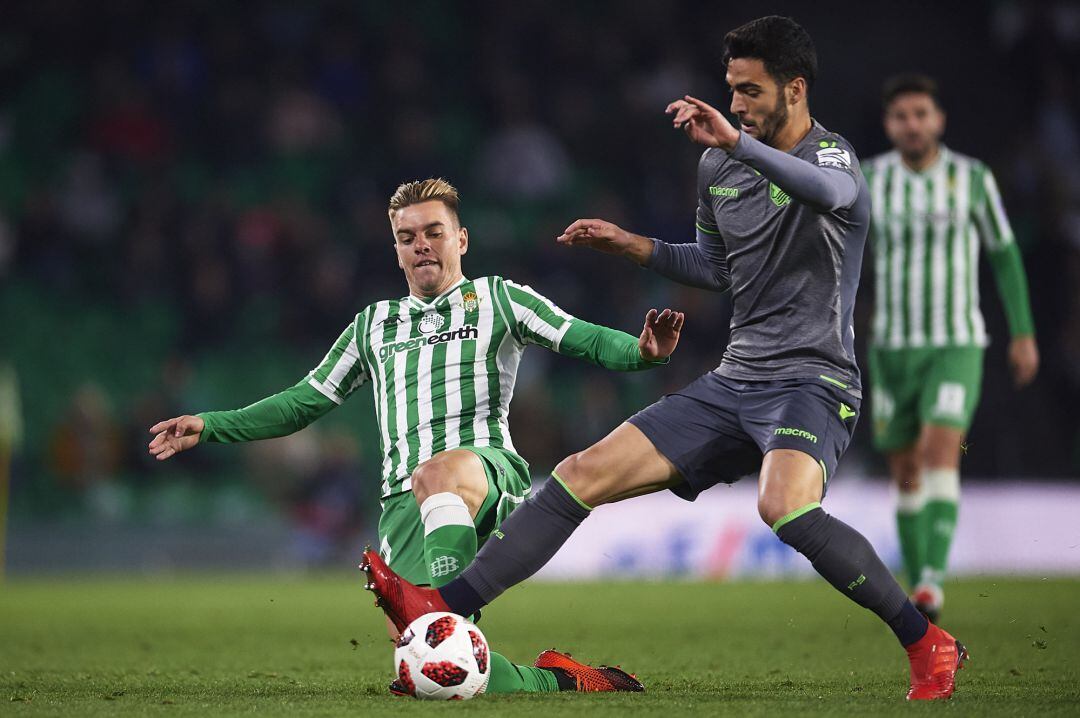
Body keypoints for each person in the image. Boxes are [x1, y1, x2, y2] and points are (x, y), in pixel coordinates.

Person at [361, 17, 968, 701]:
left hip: (814, 380)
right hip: (736, 380)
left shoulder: (834, 158)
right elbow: (715, 265)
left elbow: (830, 197)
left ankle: (927, 642)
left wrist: (735, 140)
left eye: (750, 91)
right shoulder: (720, 164)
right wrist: (633, 244)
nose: (735, 105)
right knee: (579, 472)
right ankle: (439, 602)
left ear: (795, 89)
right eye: (731, 90)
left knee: (785, 506)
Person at [149, 178, 683, 695]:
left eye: (433, 231)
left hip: (483, 471)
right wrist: (212, 424)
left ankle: (445, 602)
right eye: (407, 238)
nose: (421, 245)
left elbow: (580, 338)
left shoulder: (499, 299)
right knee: (427, 665)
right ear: (397, 250)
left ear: (461, 239)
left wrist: (640, 353)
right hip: (403, 503)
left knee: (438, 479)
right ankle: (562, 678)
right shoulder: (373, 324)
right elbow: (303, 401)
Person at [864, 74, 1038, 621]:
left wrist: (1023, 332)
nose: (912, 124)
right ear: (889, 125)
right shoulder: (869, 181)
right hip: (891, 347)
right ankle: (920, 584)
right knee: (906, 472)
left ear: (939, 120)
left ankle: (932, 584)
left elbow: (1005, 255)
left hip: (957, 342)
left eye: (921, 114)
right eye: (901, 116)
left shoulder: (972, 179)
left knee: (942, 452)